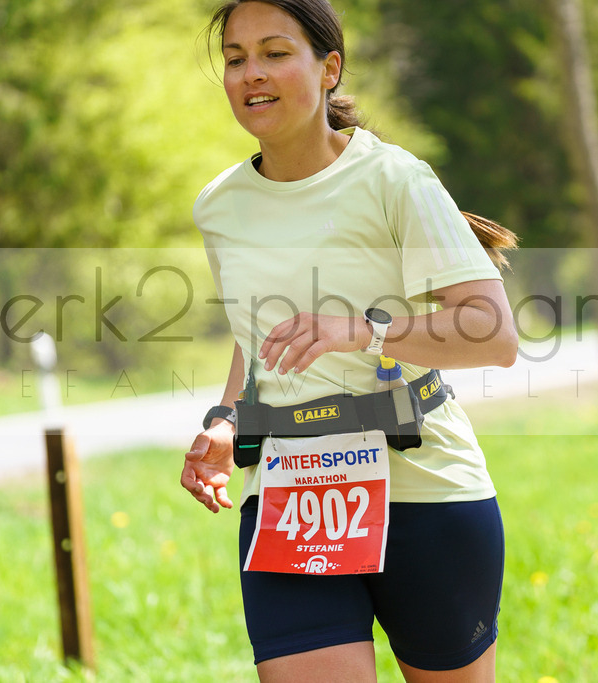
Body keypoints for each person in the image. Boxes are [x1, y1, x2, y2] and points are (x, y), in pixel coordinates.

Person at [178, 0, 519, 680]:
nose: (252, 74)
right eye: (236, 58)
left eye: (275, 53)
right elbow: (258, 333)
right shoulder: (220, 205)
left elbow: (492, 331)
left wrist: (363, 331)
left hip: (423, 485)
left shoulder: (395, 179)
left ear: (328, 68)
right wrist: (225, 418)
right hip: (291, 491)